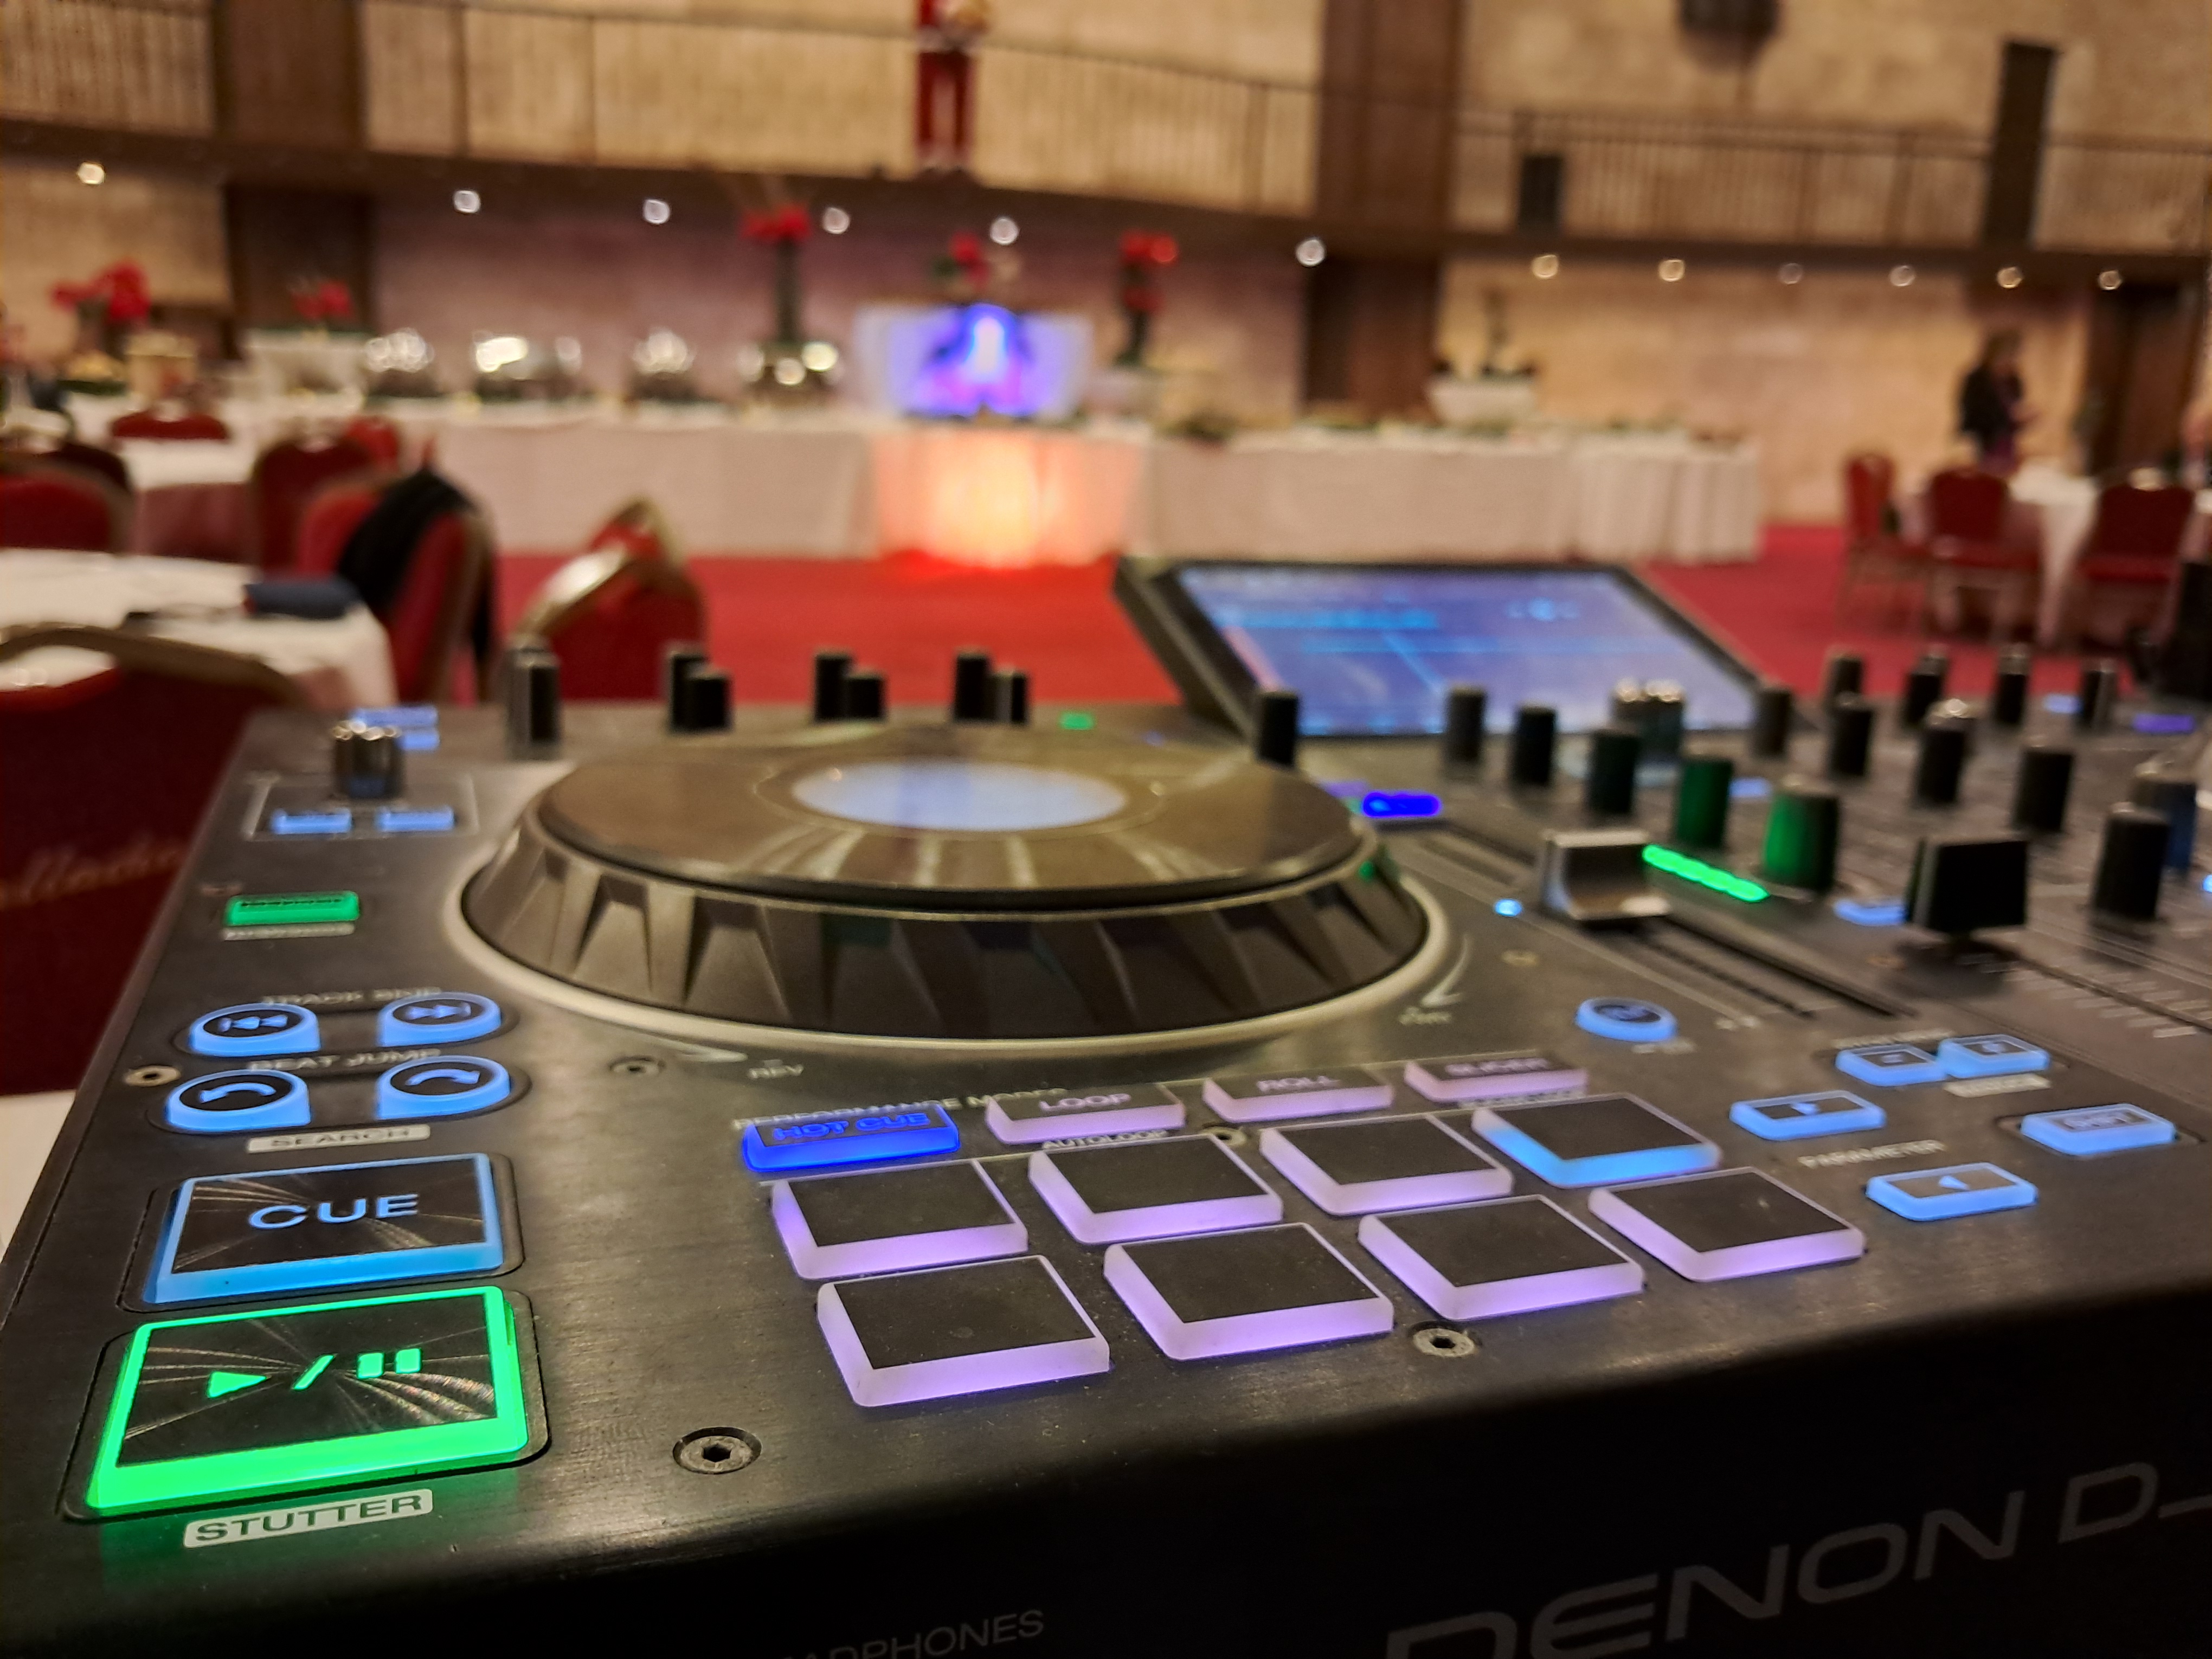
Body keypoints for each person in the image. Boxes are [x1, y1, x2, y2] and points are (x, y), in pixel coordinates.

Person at [1957, 329, 2033, 474]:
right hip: (1982, 439)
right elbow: (1973, 413)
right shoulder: (1977, 379)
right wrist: (2007, 417)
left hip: (2007, 441)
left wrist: (2022, 417)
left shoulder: (2013, 380)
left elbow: (2017, 406)